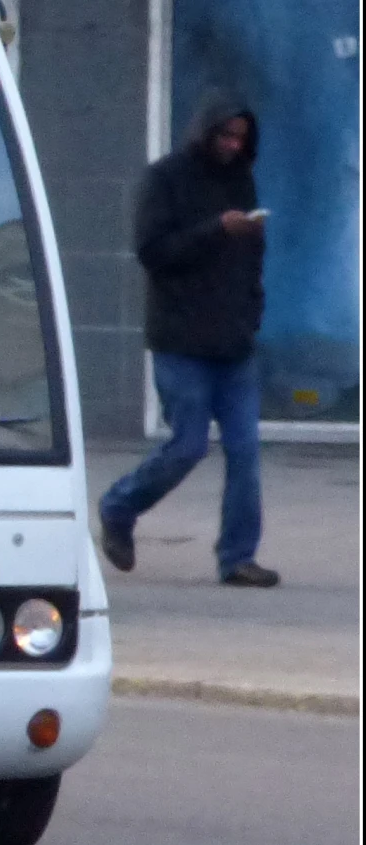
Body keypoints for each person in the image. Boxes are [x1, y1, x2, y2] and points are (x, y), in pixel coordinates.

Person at [97, 95, 277, 587]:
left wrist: (252, 312)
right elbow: (152, 251)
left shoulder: (240, 178)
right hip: (181, 341)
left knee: (245, 452)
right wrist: (216, 229)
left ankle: (238, 556)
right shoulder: (165, 178)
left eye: (240, 138)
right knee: (187, 446)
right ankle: (118, 507)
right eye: (225, 135)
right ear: (206, 132)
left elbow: (250, 257)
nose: (232, 145)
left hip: (234, 344)